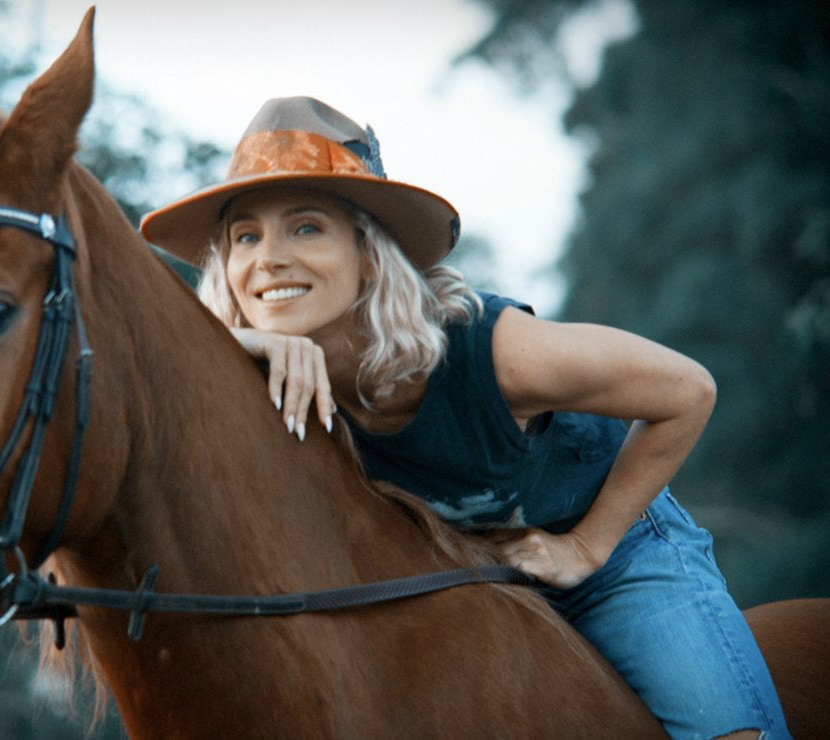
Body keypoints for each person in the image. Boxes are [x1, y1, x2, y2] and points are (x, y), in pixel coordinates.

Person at [140, 96, 789, 739]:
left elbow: (687, 391)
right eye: (244, 236)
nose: (269, 257)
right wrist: (233, 349)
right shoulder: (250, 380)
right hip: (462, 580)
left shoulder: (490, 351)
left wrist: (585, 548)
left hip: (613, 559)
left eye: (305, 227)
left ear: (370, 253)